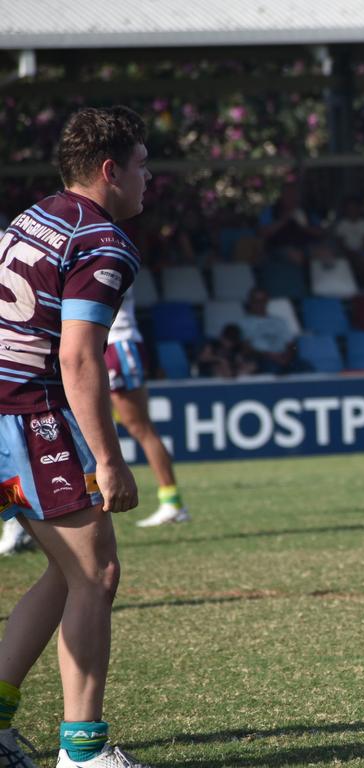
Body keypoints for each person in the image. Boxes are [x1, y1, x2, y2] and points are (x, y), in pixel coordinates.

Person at [0, 106, 152, 767]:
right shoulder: (102, 241)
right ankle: (84, 755)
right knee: (98, 572)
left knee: (69, 574)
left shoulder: (33, 216)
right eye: (144, 166)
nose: (151, 180)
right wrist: (111, 462)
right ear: (111, 170)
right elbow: (80, 359)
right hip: (25, 414)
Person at [105, 289, 190, 527]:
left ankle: (172, 502)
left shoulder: (109, 253)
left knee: (140, 426)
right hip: (103, 344)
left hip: (117, 343)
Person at [238, 287, 301, 374]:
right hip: (262, 360)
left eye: (262, 300)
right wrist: (270, 356)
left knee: (306, 368)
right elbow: (246, 349)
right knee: (273, 370)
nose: (259, 304)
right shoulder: (243, 323)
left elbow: (292, 345)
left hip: (285, 358)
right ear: (250, 302)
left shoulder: (280, 321)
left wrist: (287, 358)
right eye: (256, 301)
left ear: (267, 301)